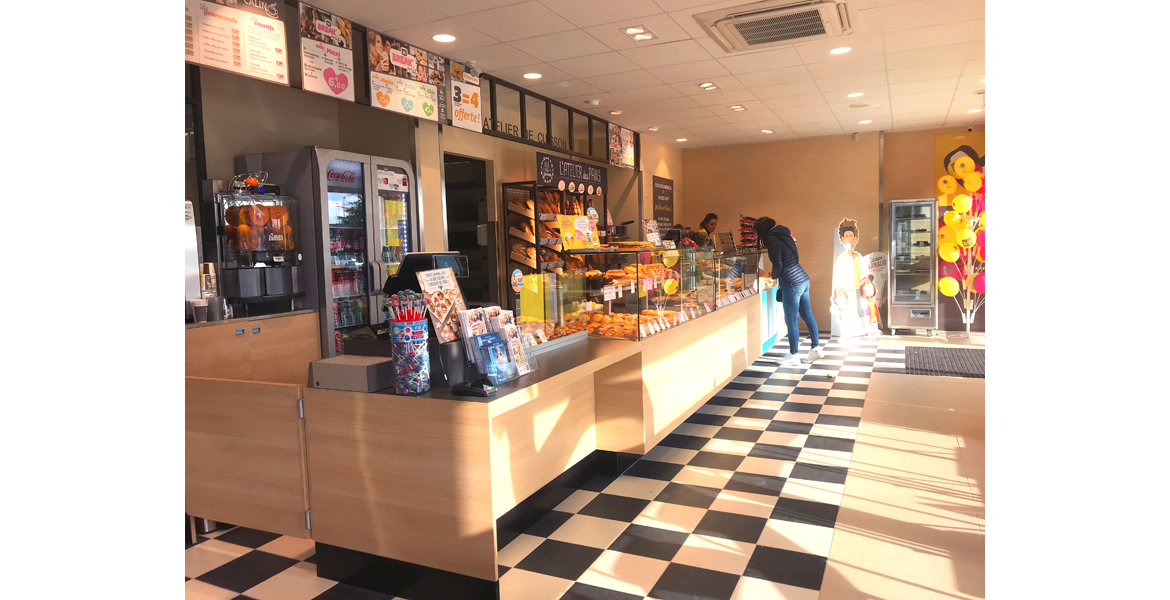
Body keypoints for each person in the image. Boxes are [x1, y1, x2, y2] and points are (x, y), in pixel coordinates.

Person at [756, 217, 823, 364]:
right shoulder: (784, 234)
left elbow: (778, 264)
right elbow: (793, 258)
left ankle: (794, 354)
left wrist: (774, 274)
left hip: (791, 283)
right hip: (802, 278)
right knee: (808, 315)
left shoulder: (772, 239)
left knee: (791, 320)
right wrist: (776, 272)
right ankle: (816, 348)